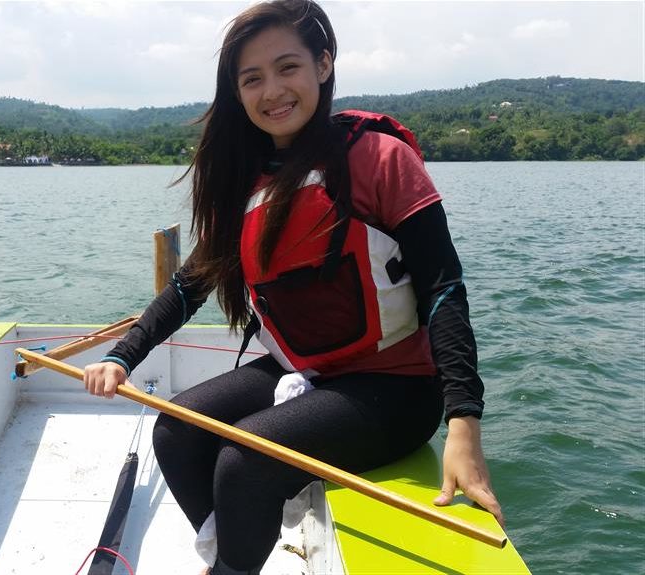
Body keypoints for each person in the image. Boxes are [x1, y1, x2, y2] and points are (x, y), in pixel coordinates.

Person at [83, 1, 504, 573]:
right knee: (176, 432)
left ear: (323, 65)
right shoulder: (244, 185)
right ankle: (230, 554)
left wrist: (464, 426)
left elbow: (443, 288)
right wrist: (121, 357)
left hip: (396, 386)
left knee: (243, 460)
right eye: (251, 79)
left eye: (288, 68)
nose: (272, 91)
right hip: (302, 372)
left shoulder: (380, 158)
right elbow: (188, 288)